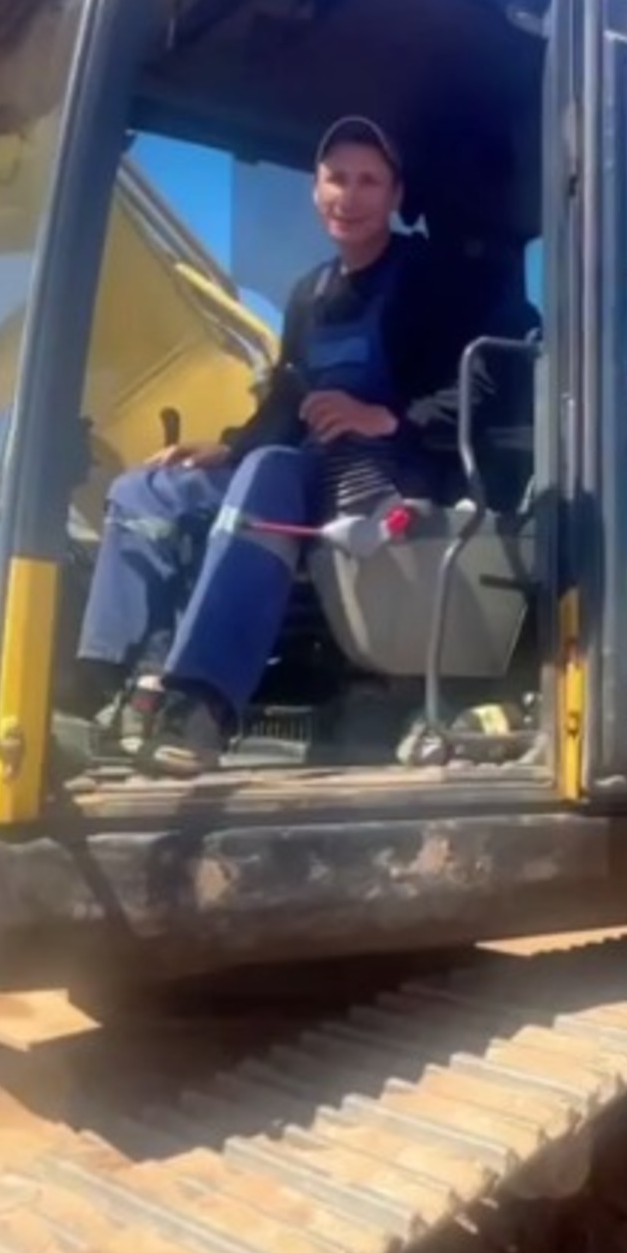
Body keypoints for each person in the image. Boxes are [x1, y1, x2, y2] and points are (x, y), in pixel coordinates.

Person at [73, 115, 516, 775]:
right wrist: (227, 448)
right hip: (305, 466)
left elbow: (482, 376)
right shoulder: (310, 294)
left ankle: (203, 703)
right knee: (146, 488)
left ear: (395, 196)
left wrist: (387, 417)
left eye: (369, 181)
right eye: (337, 178)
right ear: (315, 190)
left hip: (390, 468)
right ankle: (121, 684)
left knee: (272, 470)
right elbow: (288, 396)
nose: (350, 195)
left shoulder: (430, 276)